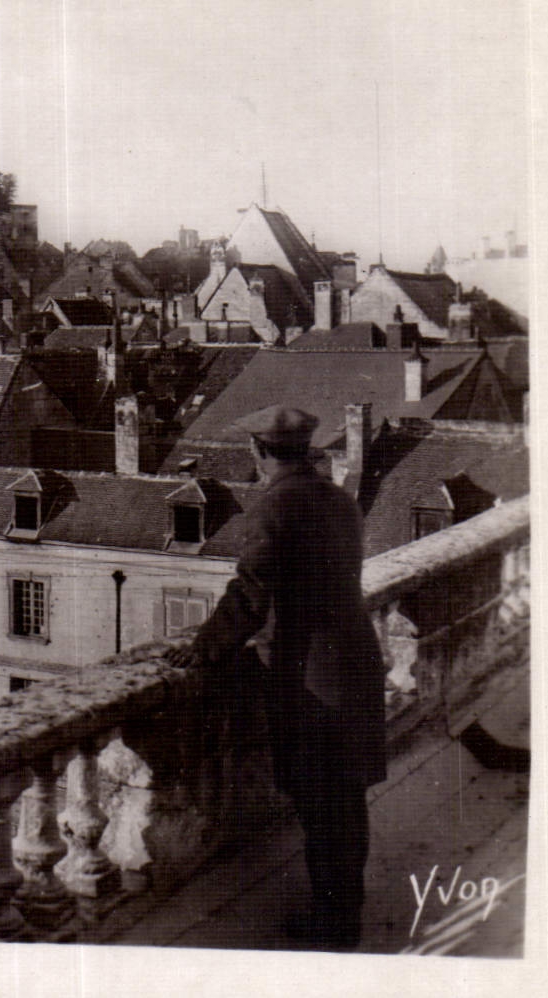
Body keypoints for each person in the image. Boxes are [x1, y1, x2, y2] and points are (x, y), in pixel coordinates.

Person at [166, 404, 386, 951]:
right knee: (347, 802)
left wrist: (205, 647)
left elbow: (249, 595)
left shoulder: (272, 508)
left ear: (259, 452)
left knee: (320, 806)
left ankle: (333, 925)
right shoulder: (340, 499)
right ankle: (345, 912)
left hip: (314, 678)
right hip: (357, 660)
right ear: (306, 449)